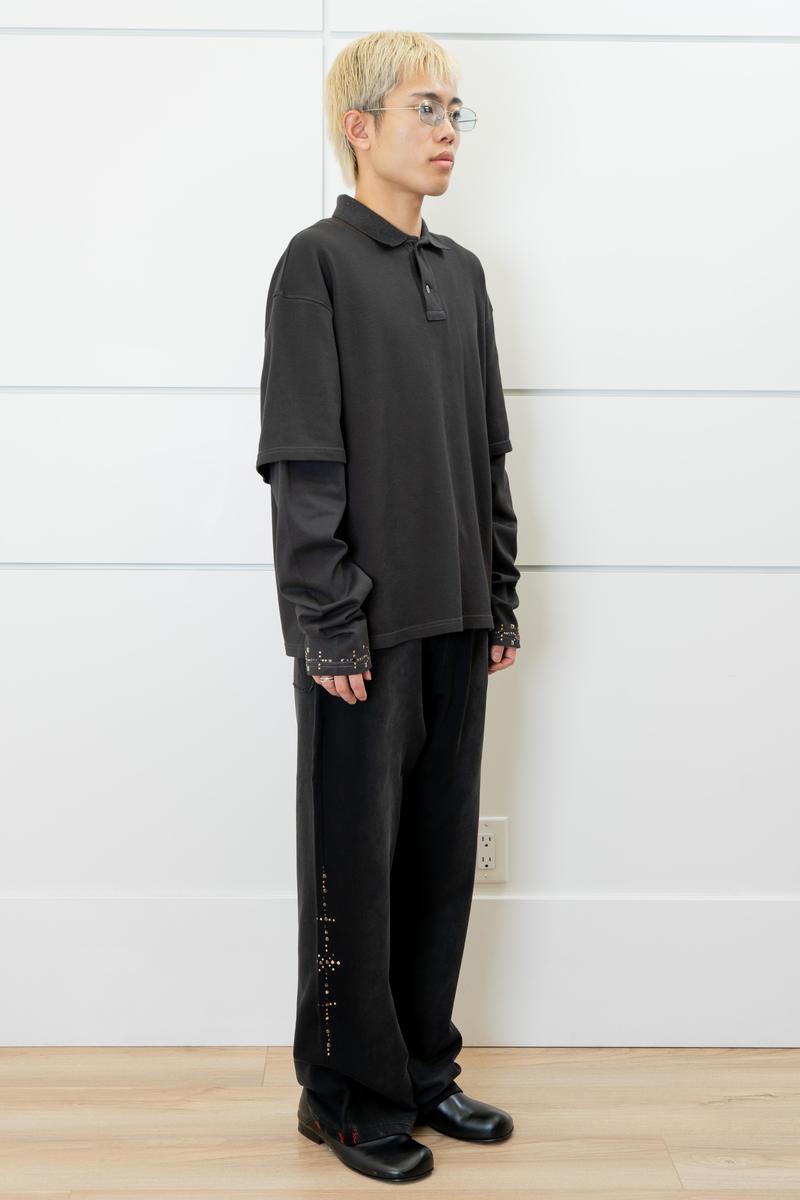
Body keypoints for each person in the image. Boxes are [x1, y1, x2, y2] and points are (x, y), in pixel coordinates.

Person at [256, 30, 520, 1185]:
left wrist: (497, 592)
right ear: (359, 126)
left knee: (436, 862)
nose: (448, 130)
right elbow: (302, 455)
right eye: (427, 108)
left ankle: (417, 1071)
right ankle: (342, 1094)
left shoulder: (462, 274)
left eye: (457, 111)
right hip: (359, 628)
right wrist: (326, 620)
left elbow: (486, 448)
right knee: (350, 872)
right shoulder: (313, 264)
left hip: (455, 617)